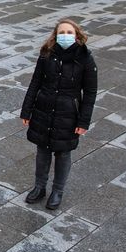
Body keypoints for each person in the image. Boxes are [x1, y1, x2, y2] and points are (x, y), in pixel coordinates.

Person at [19, 18, 98, 210]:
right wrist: (26, 110)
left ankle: (57, 191)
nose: (65, 36)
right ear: (55, 35)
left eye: (69, 32)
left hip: (68, 113)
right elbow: (35, 83)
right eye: (61, 32)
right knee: (42, 151)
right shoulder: (47, 55)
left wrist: (84, 121)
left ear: (77, 36)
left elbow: (90, 92)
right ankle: (39, 187)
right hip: (43, 109)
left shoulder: (85, 59)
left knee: (63, 153)